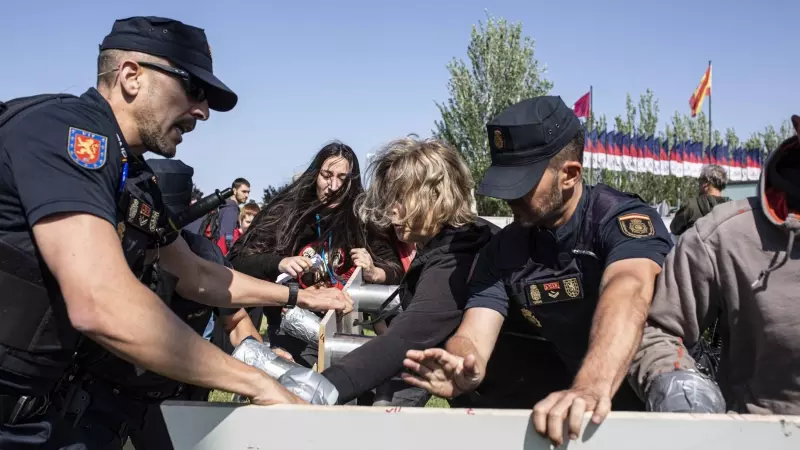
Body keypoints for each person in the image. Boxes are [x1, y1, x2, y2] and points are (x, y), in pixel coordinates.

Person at [0, 16, 350, 448]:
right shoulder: (69, 134)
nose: (201, 111)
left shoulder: (132, 174)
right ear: (131, 76)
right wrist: (256, 383)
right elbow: (100, 301)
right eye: (194, 90)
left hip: (39, 414)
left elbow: (198, 275)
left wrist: (299, 296)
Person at [402, 96, 673, 447]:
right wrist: (463, 361)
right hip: (578, 414)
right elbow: (476, 331)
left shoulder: (619, 221)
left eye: (523, 183)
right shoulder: (503, 250)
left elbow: (630, 288)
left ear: (570, 175)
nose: (508, 198)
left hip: (658, 407)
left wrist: (591, 385)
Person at [56, 159, 273, 449]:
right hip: (101, 397)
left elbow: (235, 321)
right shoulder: (112, 249)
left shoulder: (204, 255)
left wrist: (265, 366)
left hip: (175, 402)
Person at [629, 116, 800, 416]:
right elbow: (661, 330)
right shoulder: (725, 228)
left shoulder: (694, 207)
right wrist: (679, 389)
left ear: (704, 183)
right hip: (716, 290)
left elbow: (675, 230)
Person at [319, 137, 495, 406]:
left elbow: (406, 338)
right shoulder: (455, 241)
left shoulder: (458, 255)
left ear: (435, 195)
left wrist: (317, 389)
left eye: (401, 198)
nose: (391, 209)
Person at [228, 141, 403, 366]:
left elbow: (396, 269)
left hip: (345, 327)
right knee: (301, 390)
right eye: (326, 175)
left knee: (353, 394)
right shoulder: (286, 211)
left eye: (343, 178)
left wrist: (375, 271)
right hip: (291, 327)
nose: (333, 185)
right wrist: (280, 263)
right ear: (315, 175)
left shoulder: (362, 217)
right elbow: (236, 261)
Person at [670, 164, 731, 236]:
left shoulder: (691, 205)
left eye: (699, 181)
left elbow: (674, 229)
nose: (698, 185)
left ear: (706, 183)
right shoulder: (733, 207)